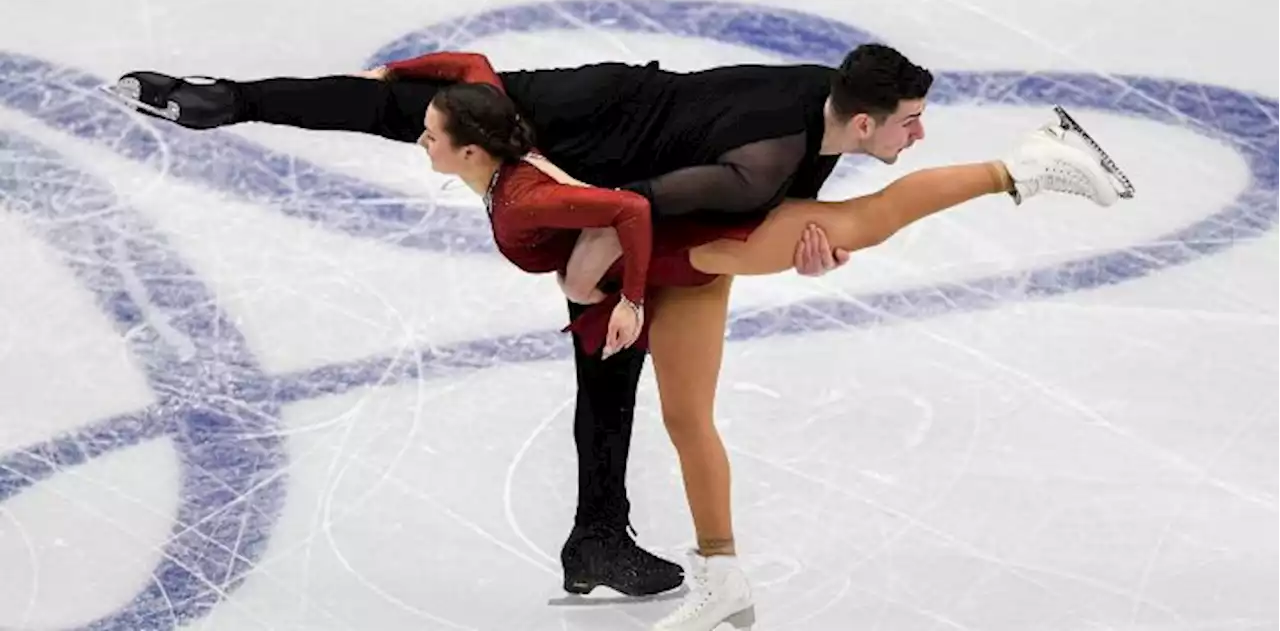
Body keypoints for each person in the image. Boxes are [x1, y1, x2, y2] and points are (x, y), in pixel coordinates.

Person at [103, 42, 933, 597]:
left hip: (611, 106)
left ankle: (597, 534)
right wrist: (620, 289)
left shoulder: (823, 92)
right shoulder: (753, 170)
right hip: (609, 167)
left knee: (414, 112)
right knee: (607, 343)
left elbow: (764, 179)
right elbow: (633, 210)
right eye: (908, 121)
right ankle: (597, 533)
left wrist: (808, 241)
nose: (918, 132)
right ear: (862, 118)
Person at [416, 79, 1129, 631]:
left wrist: (620, 297)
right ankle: (722, 581)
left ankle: (1027, 163)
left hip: (697, 239)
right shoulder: (515, 172)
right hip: (682, 264)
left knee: (862, 219)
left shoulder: (517, 199)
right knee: (687, 419)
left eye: (429, 132)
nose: (419, 140)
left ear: (472, 149)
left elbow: (613, 226)